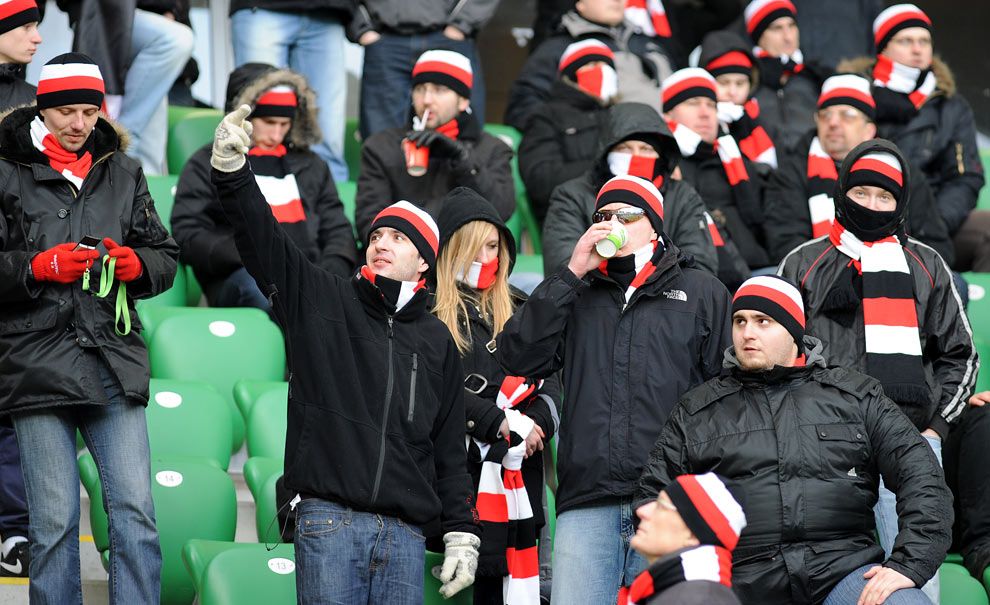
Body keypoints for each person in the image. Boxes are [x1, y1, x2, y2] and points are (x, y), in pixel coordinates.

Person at [209, 104, 481, 603]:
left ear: (424, 261)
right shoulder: (323, 297)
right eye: (376, 235)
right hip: (327, 519)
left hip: (404, 532)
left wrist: (461, 532)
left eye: (398, 239)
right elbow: (265, 242)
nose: (381, 244)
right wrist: (233, 174)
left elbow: (448, 448)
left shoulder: (438, 339)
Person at [637, 275, 952, 604]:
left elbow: (922, 476)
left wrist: (907, 565)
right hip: (740, 583)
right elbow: (651, 498)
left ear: (793, 331)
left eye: (763, 321)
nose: (747, 333)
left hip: (842, 574)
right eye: (739, 321)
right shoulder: (698, 410)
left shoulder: (855, 396)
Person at [496, 175, 732, 604]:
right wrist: (571, 272)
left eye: (626, 215)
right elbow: (518, 357)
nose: (612, 224)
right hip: (587, 495)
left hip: (670, 499)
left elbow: (727, 397)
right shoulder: (574, 290)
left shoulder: (703, 291)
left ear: (655, 225)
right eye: (602, 216)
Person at [0, 52, 179, 602]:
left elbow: (164, 255)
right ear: (43, 108)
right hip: (36, 362)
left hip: (111, 357)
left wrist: (138, 266)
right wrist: (35, 266)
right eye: (68, 112)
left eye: (90, 112)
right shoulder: (5, 168)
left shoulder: (123, 169)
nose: (81, 125)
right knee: (52, 524)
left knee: (136, 513)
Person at [778, 139, 978, 603]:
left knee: (915, 582)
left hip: (907, 437)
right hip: (820, 442)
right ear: (842, 191)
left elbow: (961, 355)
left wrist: (934, 428)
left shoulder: (928, 265)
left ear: (900, 203)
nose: (871, 204)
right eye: (861, 192)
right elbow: (779, 355)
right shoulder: (803, 263)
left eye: (884, 196)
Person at [432, 187, 561, 604]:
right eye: (475, 248)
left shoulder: (522, 310)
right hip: (455, 484)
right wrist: (497, 420)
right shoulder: (426, 311)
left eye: (494, 246)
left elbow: (554, 376)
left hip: (521, 480)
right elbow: (433, 385)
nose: (487, 258)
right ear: (449, 251)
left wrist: (537, 421)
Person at [171, 63, 356, 311]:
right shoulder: (207, 163)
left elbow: (338, 231)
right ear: (244, 117)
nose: (277, 134)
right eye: (269, 122)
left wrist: (327, 274)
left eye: (285, 124)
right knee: (265, 292)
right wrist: (254, 256)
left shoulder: (312, 165)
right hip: (242, 277)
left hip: (311, 273)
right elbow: (188, 234)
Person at [839, 4, 988, 271]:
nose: (918, 50)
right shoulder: (852, 96)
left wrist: (935, 221)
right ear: (883, 47)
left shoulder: (951, 106)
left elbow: (965, 178)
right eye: (906, 41)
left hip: (933, 221)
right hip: (864, 215)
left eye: (924, 41)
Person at [763, 73, 953, 264]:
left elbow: (935, 243)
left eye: (847, 115)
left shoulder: (901, 170)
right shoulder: (792, 172)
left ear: (869, 130)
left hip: (899, 275)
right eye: (825, 115)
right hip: (821, 280)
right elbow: (787, 245)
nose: (833, 122)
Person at [541, 102, 716, 277]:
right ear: (606, 152)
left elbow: (699, 267)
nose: (635, 157)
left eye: (646, 149)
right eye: (624, 148)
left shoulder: (683, 196)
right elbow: (562, 269)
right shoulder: (571, 195)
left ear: (661, 157)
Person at [355, 48, 514, 240]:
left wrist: (464, 162)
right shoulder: (381, 146)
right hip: (402, 262)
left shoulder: (492, 148)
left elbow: (501, 212)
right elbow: (369, 222)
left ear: (463, 101)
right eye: (420, 89)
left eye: (439, 90)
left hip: (463, 261)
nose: (426, 100)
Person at [0, 0, 42, 579]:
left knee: (12, 410)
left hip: (22, 265)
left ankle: (12, 531)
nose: (36, 36)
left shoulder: (37, 99)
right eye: (24, 27)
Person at [56, 0, 194, 174]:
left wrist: (171, 10)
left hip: (143, 19)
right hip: (101, 15)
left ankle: (143, 187)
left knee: (151, 153)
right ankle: (121, 140)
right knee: (176, 39)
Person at [661, 67, 768, 289]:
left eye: (711, 105)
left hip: (759, 269)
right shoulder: (661, 166)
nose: (705, 112)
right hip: (699, 281)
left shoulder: (734, 158)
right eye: (693, 103)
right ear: (667, 115)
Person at [504, 0, 676, 131]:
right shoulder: (559, 47)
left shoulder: (652, 45)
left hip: (665, 143)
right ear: (580, 3)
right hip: (603, 151)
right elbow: (522, 108)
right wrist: (577, 131)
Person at [230, 0, 352, 181]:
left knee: (326, 143)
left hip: (328, 10)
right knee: (249, 133)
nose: (276, 135)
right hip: (260, 8)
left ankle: (330, 207)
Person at [349, 0, 492, 140]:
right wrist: (361, 26)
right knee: (381, 142)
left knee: (464, 134)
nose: (427, 99)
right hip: (385, 37)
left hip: (448, 33)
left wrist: (462, 24)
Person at [517, 38, 618, 225]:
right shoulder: (546, 116)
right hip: (570, 218)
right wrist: (604, 168)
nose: (603, 71)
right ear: (572, 75)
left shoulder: (620, 115)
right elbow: (540, 180)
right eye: (592, 64)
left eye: (608, 66)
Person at [622, 473, 745, 605]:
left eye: (662, 506)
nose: (642, 510)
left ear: (693, 535)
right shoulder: (679, 592)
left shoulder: (699, 599)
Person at [743, 0, 828, 153]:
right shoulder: (744, 80)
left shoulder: (817, 76)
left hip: (814, 164)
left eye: (792, 26)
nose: (788, 36)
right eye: (777, 29)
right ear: (759, 36)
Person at [696, 31, 776, 169]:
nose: (732, 92)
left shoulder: (764, 125)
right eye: (723, 83)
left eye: (740, 83)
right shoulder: (696, 124)